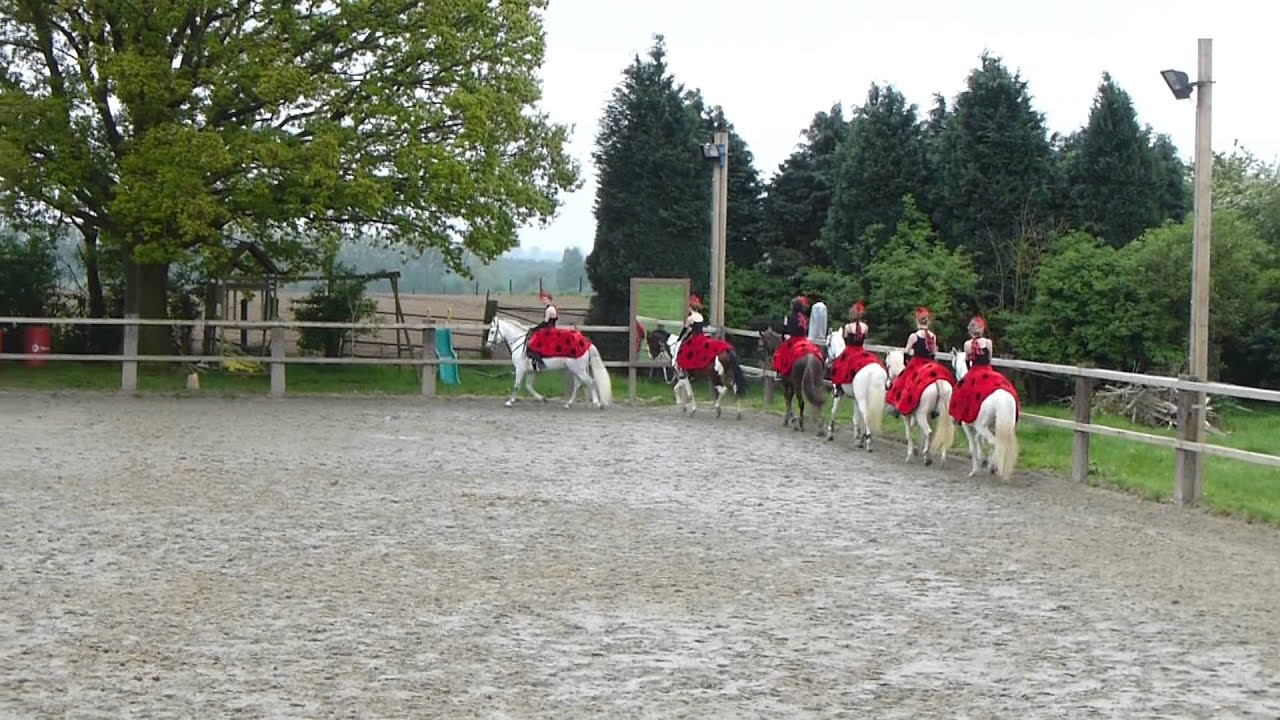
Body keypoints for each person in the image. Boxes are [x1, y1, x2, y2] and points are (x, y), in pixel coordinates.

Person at [950, 315, 1021, 424]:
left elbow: (967, 359)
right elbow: (989, 358)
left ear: (970, 331)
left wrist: (969, 370)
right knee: (1007, 386)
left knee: (959, 391)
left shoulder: (967, 344)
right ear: (982, 330)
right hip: (988, 370)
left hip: (974, 370)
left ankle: (959, 418)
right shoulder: (988, 342)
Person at [886, 306, 954, 416]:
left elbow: (907, 351)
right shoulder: (933, 336)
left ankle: (897, 407)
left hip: (917, 364)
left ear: (917, 321)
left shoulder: (914, 336)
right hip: (930, 364)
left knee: (902, 382)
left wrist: (910, 355)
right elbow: (933, 353)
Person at [829, 301, 882, 388]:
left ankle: (838, 387)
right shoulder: (865, 327)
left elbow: (845, 339)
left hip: (850, 350)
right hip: (861, 351)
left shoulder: (848, 327)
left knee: (838, 366)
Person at [675, 294, 734, 372]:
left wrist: (679, 338)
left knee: (684, 351)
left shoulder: (690, 318)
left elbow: (685, 329)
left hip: (695, 338)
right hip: (702, 336)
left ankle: (684, 369)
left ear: (690, 308)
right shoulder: (700, 316)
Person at [772, 295, 817, 376]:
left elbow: (787, 331)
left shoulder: (790, 316)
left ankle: (780, 372)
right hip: (804, 339)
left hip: (795, 339)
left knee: (780, 353)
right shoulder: (804, 317)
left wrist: (785, 329)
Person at [525, 291, 558, 371]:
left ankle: (540, 362)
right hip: (552, 330)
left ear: (550, 300)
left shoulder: (549, 309)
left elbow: (545, 322)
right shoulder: (553, 308)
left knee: (531, 345)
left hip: (549, 331)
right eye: (543, 299)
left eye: (546, 299)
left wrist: (534, 329)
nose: (544, 301)